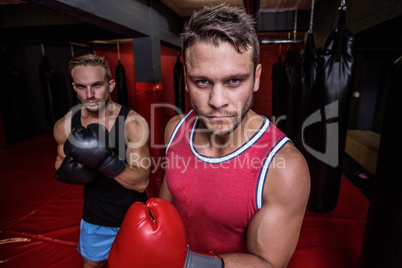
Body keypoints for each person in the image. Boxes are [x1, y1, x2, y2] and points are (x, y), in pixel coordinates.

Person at [159, 4, 310, 268]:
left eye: (234, 81)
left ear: (257, 78)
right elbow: (167, 202)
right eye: (202, 82)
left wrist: (184, 263)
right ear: (185, 79)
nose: (217, 102)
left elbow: (268, 264)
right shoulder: (175, 130)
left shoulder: (283, 168)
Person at [53, 54, 150, 268]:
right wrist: (73, 170)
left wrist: (103, 161)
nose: (90, 94)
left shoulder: (132, 123)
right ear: (74, 87)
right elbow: (59, 165)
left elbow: (142, 181)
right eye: (81, 87)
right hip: (95, 217)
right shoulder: (66, 125)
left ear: (111, 84)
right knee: (91, 266)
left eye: (96, 85)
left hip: (133, 216)